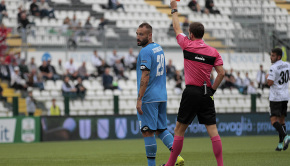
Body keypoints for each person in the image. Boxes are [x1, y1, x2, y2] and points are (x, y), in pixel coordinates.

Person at [162, 1, 225, 166]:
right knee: (213, 131)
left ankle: (169, 164)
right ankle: (220, 165)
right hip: (206, 93)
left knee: (179, 130)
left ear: (190, 34)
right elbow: (221, 73)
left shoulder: (187, 46)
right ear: (202, 34)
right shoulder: (213, 52)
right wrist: (212, 90)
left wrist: (174, 8)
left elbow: (176, 28)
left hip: (190, 92)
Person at [135, 22, 184, 166]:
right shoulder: (158, 48)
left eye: (141, 34)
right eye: (137, 34)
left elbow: (145, 75)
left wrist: (139, 99)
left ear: (149, 35)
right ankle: (178, 156)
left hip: (149, 97)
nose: (138, 37)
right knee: (161, 129)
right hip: (162, 95)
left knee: (147, 132)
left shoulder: (145, 51)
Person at [266, 48, 290, 151]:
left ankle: (286, 136)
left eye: (273, 55)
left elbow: (269, 83)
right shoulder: (288, 65)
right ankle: (280, 144)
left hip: (276, 97)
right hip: (285, 96)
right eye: (271, 55)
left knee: (273, 121)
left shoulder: (273, 68)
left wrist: (267, 77)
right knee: (282, 120)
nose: (271, 57)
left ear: (278, 57)